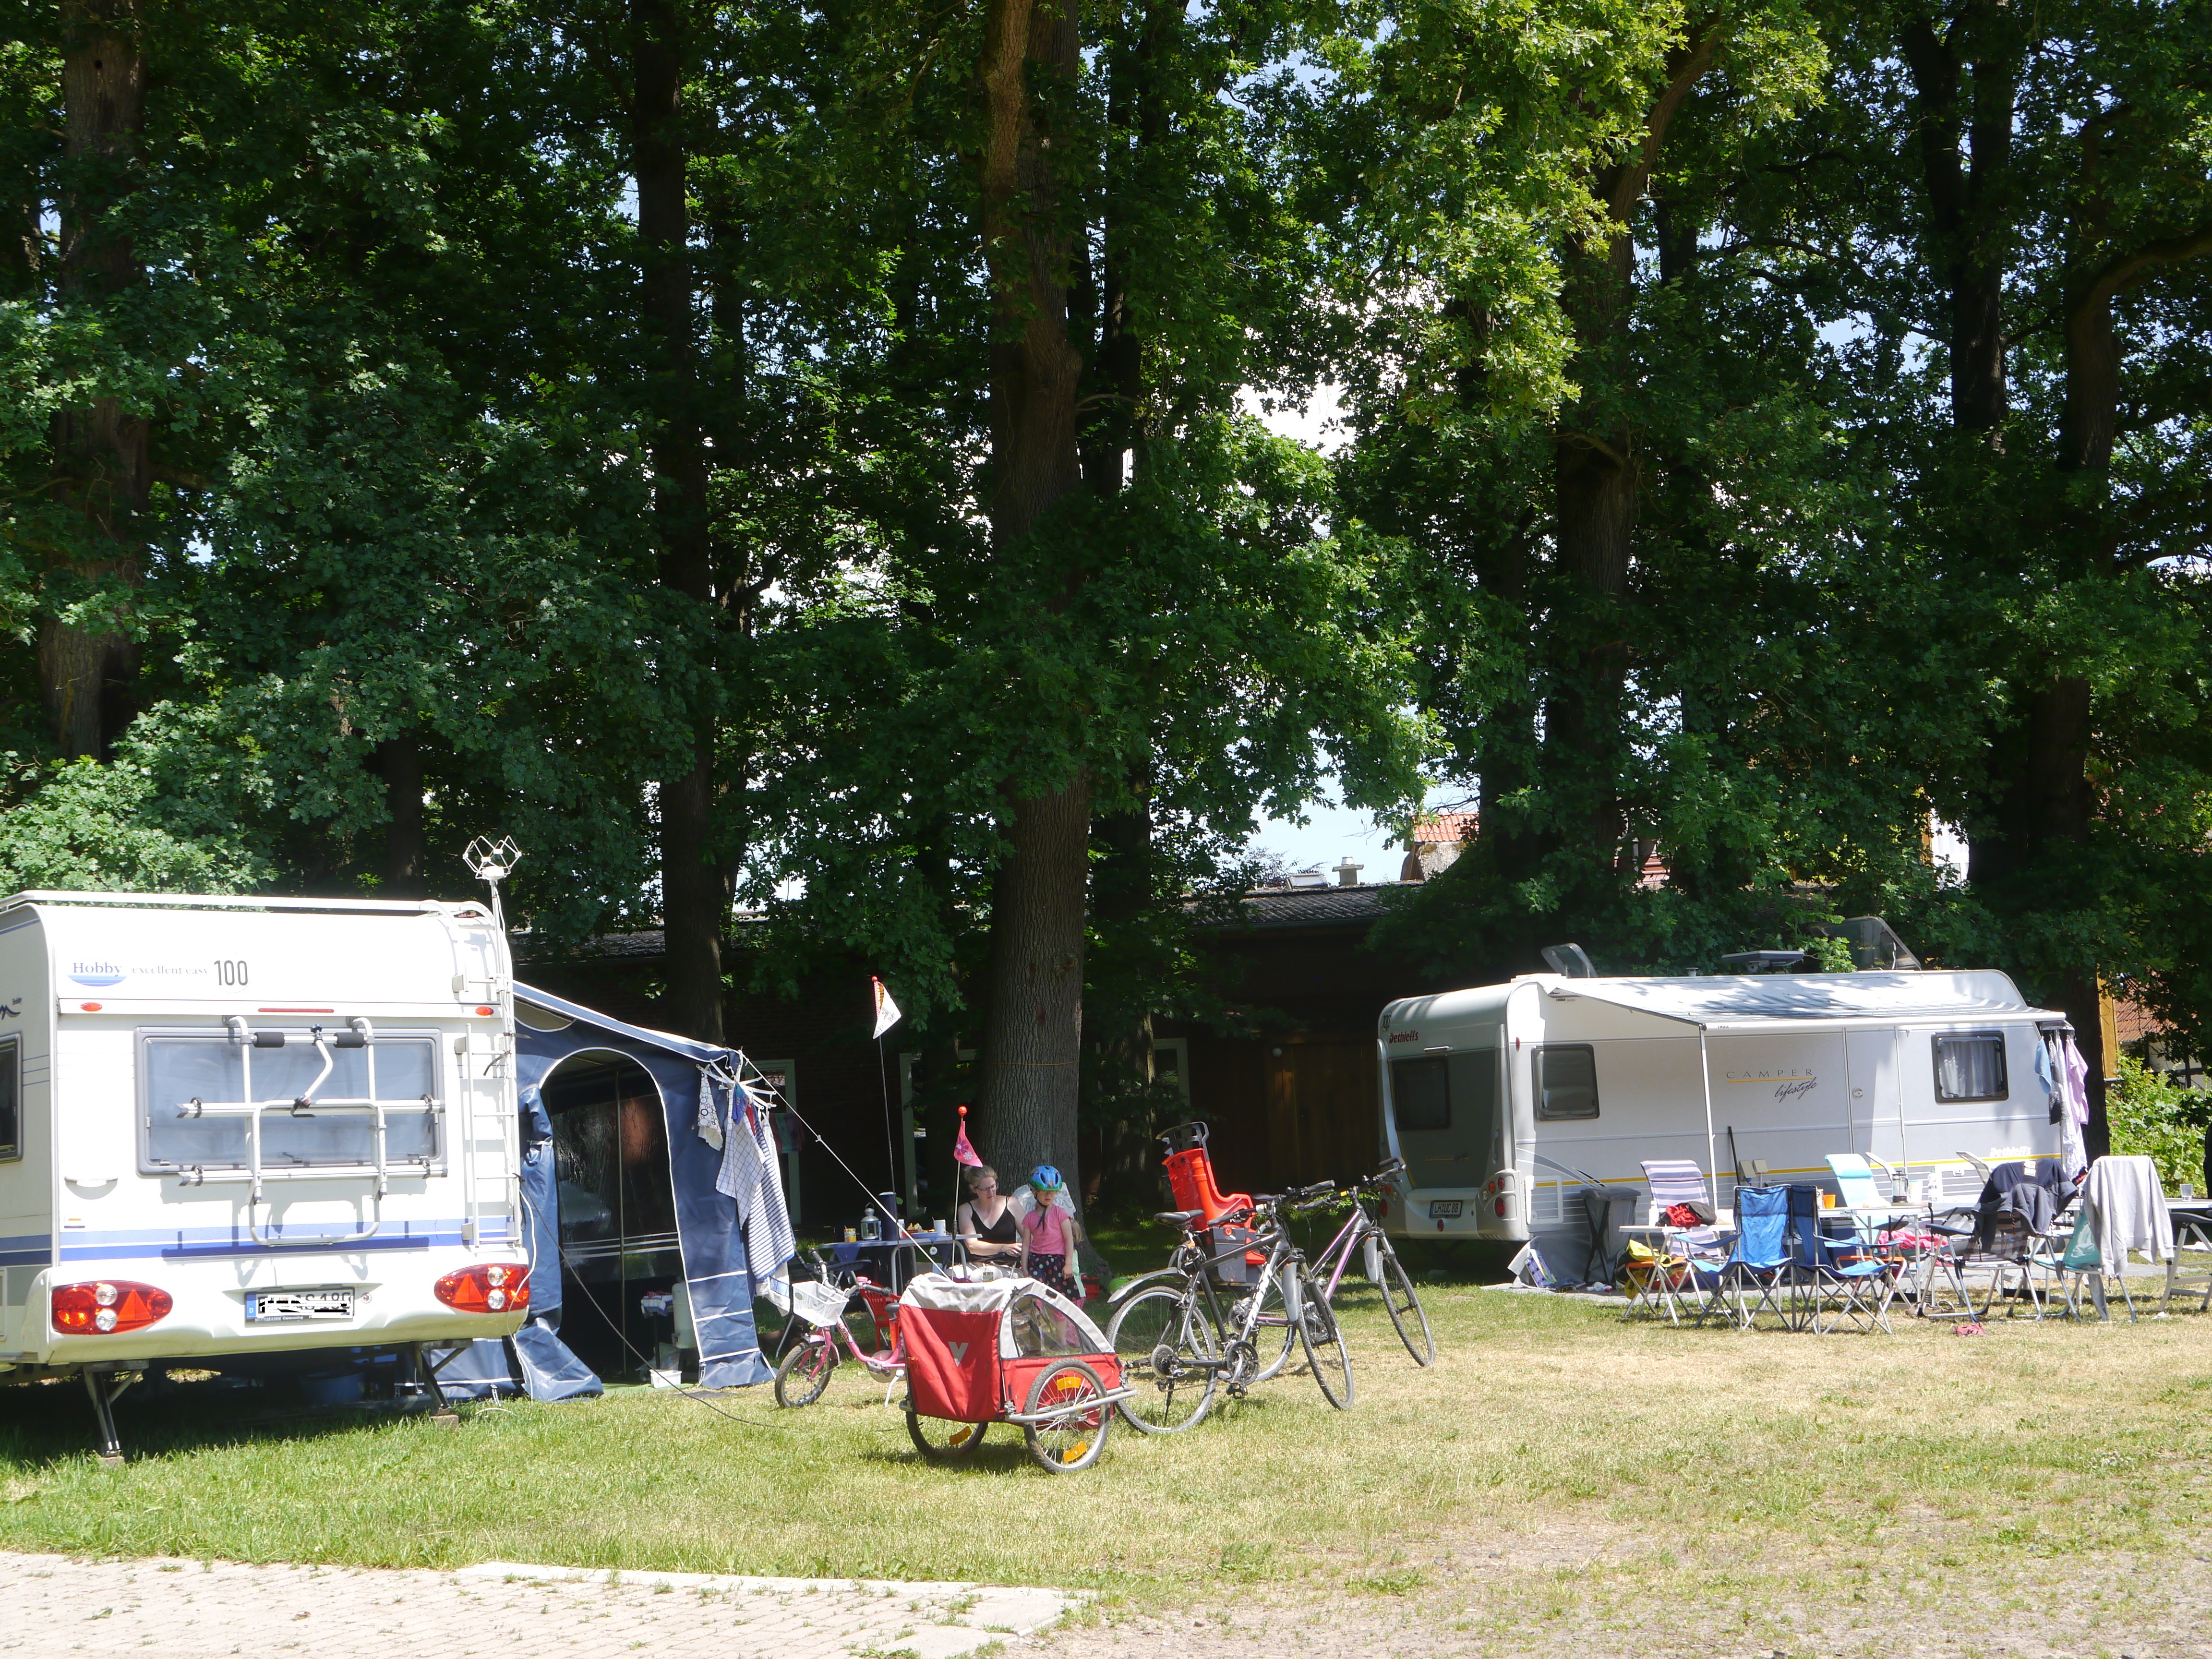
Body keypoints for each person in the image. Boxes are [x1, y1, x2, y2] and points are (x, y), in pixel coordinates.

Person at [1018, 1165, 1085, 1299]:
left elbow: (1069, 1239)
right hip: (1037, 1262)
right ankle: (1038, 1313)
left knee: (1060, 1300)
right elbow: (1026, 1245)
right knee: (1036, 1296)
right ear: (1035, 1192)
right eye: (1044, 1192)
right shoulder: (1030, 1217)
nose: (1049, 1195)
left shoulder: (1061, 1214)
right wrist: (1024, 1268)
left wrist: (1068, 1264)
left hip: (1058, 1262)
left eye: (1053, 1192)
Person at [955, 1166, 1022, 1265]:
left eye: (993, 1187)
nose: (991, 1192)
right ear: (974, 1189)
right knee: (950, 1272)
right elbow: (972, 1246)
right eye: (985, 1189)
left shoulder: (1012, 1204)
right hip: (976, 1265)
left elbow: (1029, 1238)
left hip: (1008, 1266)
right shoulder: (966, 1209)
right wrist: (1004, 1248)